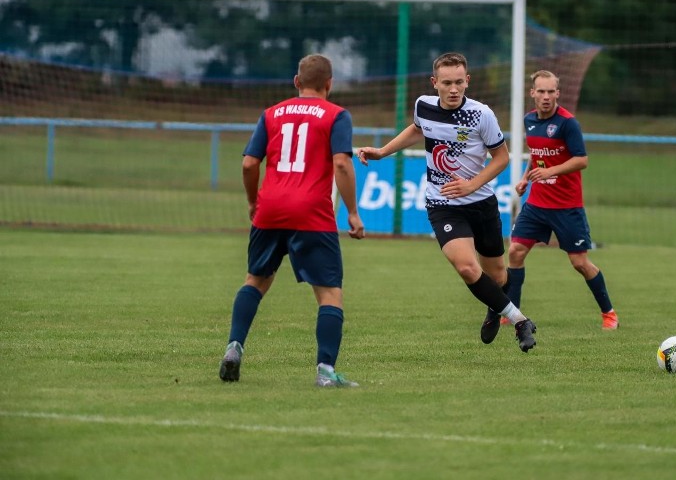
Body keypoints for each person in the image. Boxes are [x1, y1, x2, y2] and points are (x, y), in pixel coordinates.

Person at [357, 52, 537, 352]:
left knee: (498, 275)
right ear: (434, 83)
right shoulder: (423, 106)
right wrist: (382, 151)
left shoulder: (482, 114)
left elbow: (502, 158)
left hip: (481, 203)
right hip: (442, 204)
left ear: (467, 81)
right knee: (467, 267)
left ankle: (496, 308)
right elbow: (417, 129)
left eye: (459, 82)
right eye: (447, 83)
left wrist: (472, 184)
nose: (453, 89)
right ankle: (520, 321)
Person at [219, 54, 366, 387]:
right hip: (311, 212)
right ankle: (326, 372)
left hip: (270, 209)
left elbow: (248, 164)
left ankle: (234, 347)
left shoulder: (271, 114)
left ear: (296, 82)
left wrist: (252, 201)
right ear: (329, 84)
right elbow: (342, 165)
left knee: (255, 280)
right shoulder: (337, 115)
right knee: (329, 293)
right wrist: (353, 212)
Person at [483, 69, 618, 335]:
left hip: (567, 206)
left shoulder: (568, 123)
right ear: (532, 93)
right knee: (515, 252)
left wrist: (550, 171)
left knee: (580, 263)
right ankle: (512, 312)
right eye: (540, 91)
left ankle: (609, 313)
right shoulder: (529, 120)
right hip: (537, 203)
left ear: (558, 93)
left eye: (550, 92)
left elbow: (582, 160)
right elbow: (537, 154)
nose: (545, 97)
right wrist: (525, 179)